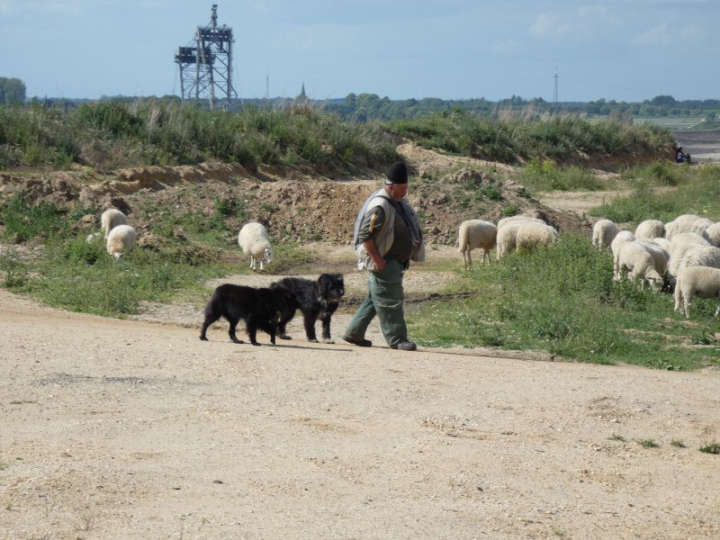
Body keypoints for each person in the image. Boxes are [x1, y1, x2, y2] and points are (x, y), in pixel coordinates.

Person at [343, 161, 425, 351]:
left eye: (406, 188)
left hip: (393, 260)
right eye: (402, 188)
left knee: (375, 299)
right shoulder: (380, 206)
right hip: (384, 261)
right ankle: (397, 339)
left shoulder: (397, 203)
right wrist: (377, 259)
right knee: (391, 301)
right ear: (390, 186)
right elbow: (365, 235)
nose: (405, 192)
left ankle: (354, 333)